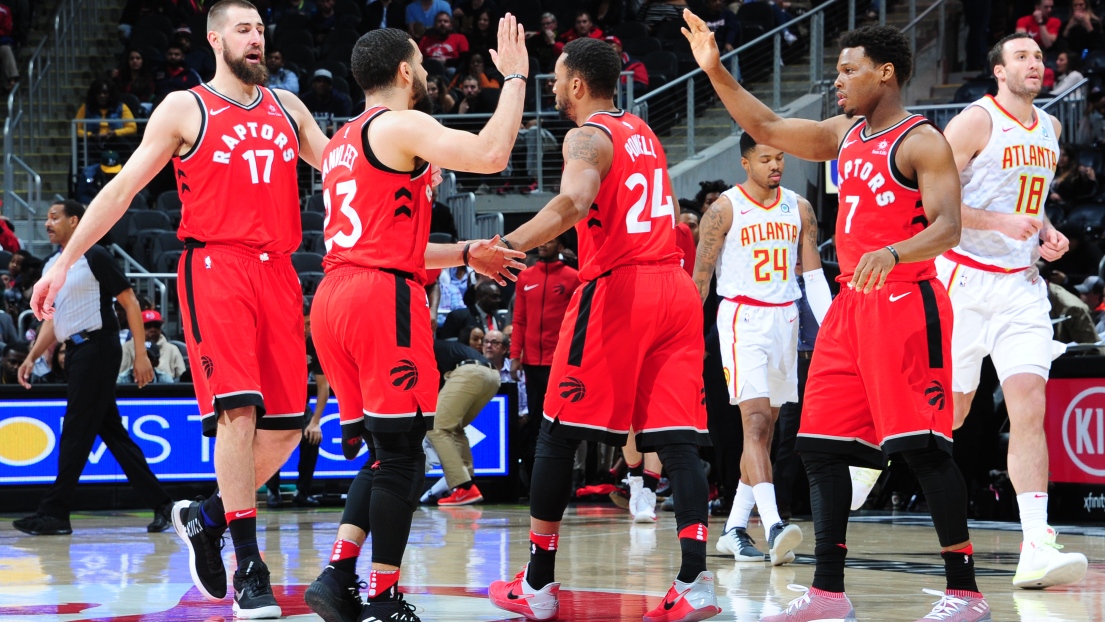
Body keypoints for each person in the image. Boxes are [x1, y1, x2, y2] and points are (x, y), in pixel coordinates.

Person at [31, 1, 336, 617]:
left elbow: (342, 168)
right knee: (239, 414)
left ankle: (204, 517)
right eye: (243, 30)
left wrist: (408, 174)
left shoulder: (287, 107)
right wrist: (65, 262)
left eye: (260, 30)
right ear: (215, 38)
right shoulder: (184, 107)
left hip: (279, 271)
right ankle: (249, 565)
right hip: (215, 267)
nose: (256, 40)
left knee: (283, 431)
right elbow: (121, 190)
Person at [684, 13, 990, 620]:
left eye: (849, 70)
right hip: (851, 307)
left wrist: (894, 250)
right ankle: (827, 591)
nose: (838, 81)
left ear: (886, 72)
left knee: (924, 450)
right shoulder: (846, 135)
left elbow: (949, 228)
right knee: (820, 447)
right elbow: (766, 124)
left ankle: (965, 593)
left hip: (907, 302)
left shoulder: (922, 140)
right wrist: (715, 68)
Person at [300, 19, 527, 622]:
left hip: (335, 296)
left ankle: (338, 574)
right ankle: (383, 597)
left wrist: (463, 253)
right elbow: (491, 153)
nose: (426, 72)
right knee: (404, 458)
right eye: (421, 64)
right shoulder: (400, 123)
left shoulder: (345, 139)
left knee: (384, 452)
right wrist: (515, 79)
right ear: (403, 72)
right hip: (379, 300)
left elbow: (391, 243)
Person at [487, 37, 719, 622]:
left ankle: (537, 583)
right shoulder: (643, 133)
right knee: (679, 443)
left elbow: (573, 202)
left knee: (558, 435)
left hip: (621, 289)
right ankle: (695, 581)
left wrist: (508, 245)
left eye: (558, 78)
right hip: (674, 287)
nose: (553, 88)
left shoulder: (586, 135)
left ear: (577, 83)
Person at [932, 32, 1088, 590]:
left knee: (1029, 404)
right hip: (962, 281)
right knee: (951, 409)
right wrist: (999, 224)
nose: (1035, 63)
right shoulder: (975, 121)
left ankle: (1036, 544)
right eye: (1022, 56)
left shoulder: (1051, 127)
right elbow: (934, 199)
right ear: (998, 71)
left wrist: (1045, 228)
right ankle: (868, 457)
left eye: (1039, 56)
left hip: (1022, 285)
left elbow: (1031, 196)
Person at [693, 132, 830, 565]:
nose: (776, 165)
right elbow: (699, 279)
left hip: (785, 319)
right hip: (741, 318)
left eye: (781, 157)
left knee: (765, 432)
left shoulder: (799, 207)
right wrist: (685, 337)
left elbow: (814, 277)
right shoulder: (724, 209)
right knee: (753, 423)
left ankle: (734, 528)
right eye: (766, 158)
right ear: (745, 163)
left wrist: (830, 329)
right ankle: (773, 525)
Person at [12, 200, 174, 536]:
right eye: (46, 217)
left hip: (99, 347)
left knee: (75, 431)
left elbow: (129, 300)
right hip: (75, 352)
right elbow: (51, 319)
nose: (47, 222)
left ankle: (55, 512)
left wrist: (142, 355)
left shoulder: (95, 255)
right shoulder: (52, 265)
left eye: (54, 216)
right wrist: (32, 356)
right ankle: (164, 505)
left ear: (75, 221)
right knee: (111, 433)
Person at [509, 235, 579, 488]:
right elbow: (519, 320)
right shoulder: (525, 277)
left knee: (560, 419)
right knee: (537, 419)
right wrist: (515, 355)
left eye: (549, 242)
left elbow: (578, 321)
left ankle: (564, 479)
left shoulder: (573, 277)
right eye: (541, 241)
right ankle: (535, 481)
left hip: (560, 362)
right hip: (532, 363)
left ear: (561, 246)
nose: (542, 245)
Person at [266, 301, 328, 508]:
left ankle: (302, 492)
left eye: (313, 324)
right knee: (273, 445)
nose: (311, 329)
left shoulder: (315, 344)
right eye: (308, 324)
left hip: (301, 407)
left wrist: (315, 422)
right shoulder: (277, 340)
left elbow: (323, 386)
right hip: (275, 406)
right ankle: (273, 491)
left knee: (313, 437)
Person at [426, 338, 501, 506]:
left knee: (436, 427)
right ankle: (468, 487)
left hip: (468, 372)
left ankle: (463, 486)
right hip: (492, 376)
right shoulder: (438, 345)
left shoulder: (419, 346)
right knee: (454, 429)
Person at [119, 309, 186, 382]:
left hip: (165, 390)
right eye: (148, 326)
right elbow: (119, 377)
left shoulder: (172, 349)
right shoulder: (126, 348)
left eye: (156, 326)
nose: (153, 330)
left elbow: (182, 378)